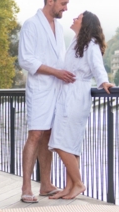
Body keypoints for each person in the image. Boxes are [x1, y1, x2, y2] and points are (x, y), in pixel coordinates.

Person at [18, 0, 76, 203]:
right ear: (50, 1)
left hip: (57, 89)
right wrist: (56, 72)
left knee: (49, 136)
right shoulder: (31, 25)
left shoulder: (59, 29)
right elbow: (26, 59)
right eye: (63, 3)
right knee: (35, 135)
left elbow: (61, 59)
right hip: (40, 89)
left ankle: (45, 184)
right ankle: (25, 187)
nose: (66, 8)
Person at [49, 11, 114, 199]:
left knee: (61, 142)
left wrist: (104, 82)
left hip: (76, 96)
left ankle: (78, 183)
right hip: (68, 94)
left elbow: (96, 65)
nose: (74, 19)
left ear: (85, 23)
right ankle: (69, 187)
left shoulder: (90, 43)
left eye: (78, 17)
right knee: (70, 143)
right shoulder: (77, 41)